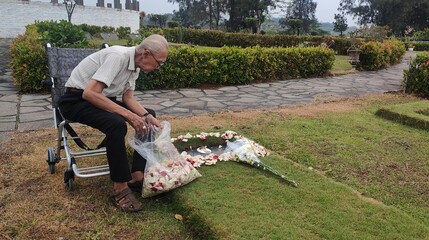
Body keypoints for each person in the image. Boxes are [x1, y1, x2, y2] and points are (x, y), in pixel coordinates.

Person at [58, 34, 168, 212]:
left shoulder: (136, 66)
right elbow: (90, 93)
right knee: (116, 123)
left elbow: (128, 98)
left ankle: (137, 176)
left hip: (99, 99)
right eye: (159, 62)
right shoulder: (118, 56)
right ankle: (120, 188)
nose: (159, 66)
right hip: (76, 100)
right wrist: (129, 116)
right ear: (146, 53)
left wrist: (146, 115)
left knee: (148, 117)